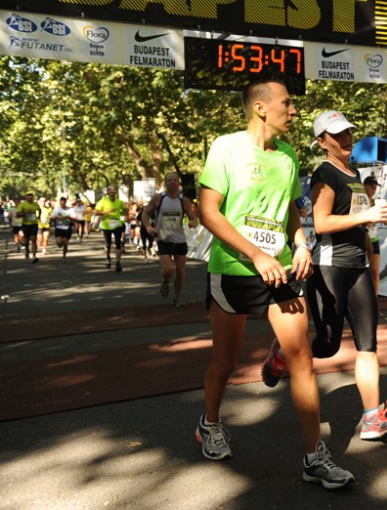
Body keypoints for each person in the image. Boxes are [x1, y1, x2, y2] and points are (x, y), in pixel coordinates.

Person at [197, 80, 353, 489]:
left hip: (280, 269)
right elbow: (208, 212)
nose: (294, 111)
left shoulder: (288, 155)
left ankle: (315, 457)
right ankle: (210, 423)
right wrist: (255, 254)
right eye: (288, 103)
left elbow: (291, 211)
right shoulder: (226, 147)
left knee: (301, 357)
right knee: (225, 362)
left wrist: (300, 245)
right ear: (261, 108)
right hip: (234, 269)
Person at [277, 109, 387, 441]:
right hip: (330, 268)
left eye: (348, 132)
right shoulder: (325, 173)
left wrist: (369, 246)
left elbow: (357, 219)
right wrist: (367, 215)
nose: (347, 138)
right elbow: (321, 223)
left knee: (368, 344)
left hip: (358, 267)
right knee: (327, 345)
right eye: (338, 135)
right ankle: (282, 352)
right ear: (322, 142)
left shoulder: (355, 172)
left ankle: (373, 419)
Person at [142, 173, 198, 307]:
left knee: (180, 271)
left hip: (179, 240)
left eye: (174, 180)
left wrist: (193, 223)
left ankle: (178, 296)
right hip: (164, 239)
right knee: (168, 270)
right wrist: (148, 227)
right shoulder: (158, 198)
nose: (172, 182)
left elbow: (193, 217)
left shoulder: (184, 201)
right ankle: (166, 280)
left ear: (178, 183)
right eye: (169, 180)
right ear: (165, 183)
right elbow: (145, 214)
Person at [94, 185, 127, 272]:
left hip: (117, 225)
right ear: (107, 192)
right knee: (108, 244)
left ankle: (118, 263)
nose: (112, 191)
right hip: (106, 225)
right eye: (110, 190)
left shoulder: (119, 202)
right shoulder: (103, 201)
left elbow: (124, 211)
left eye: (114, 190)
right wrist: (107, 212)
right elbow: (96, 212)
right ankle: (108, 258)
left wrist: (126, 211)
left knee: (118, 244)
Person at [363, 175, 382, 294]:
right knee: (364, 271)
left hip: (373, 238)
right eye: (371, 187)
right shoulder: (360, 201)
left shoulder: (376, 203)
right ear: (364, 186)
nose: (374, 190)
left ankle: (374, 300)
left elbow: (384, 221)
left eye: (375, 188)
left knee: (375, 271)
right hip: (363, 237)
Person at [51, 196, 77, 263]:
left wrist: (68, 217)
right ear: (59, 203)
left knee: (65, 242)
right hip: (58, 228)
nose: (62, 204)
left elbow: (75, 219)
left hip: (67, 228)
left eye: (64, 203)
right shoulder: (56, 209)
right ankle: (60, 245)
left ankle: (64, 256)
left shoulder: (70, 210)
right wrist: (57, 217)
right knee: (58, 242)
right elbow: (51, 218)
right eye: (61, 203)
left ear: (65, 203)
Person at [17, 191, 41, 263]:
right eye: (28, 197)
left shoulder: (35, 204)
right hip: (25, 224)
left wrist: (38, 216)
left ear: (33, 197)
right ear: (26, 197)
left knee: (33, 239)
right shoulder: (22, 205)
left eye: (31, 197)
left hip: (34, 224)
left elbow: (39, 210)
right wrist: (25, 213)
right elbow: (17, 215)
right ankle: (27, 251)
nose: (30, 198)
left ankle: (34, 256)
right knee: (26, 240)